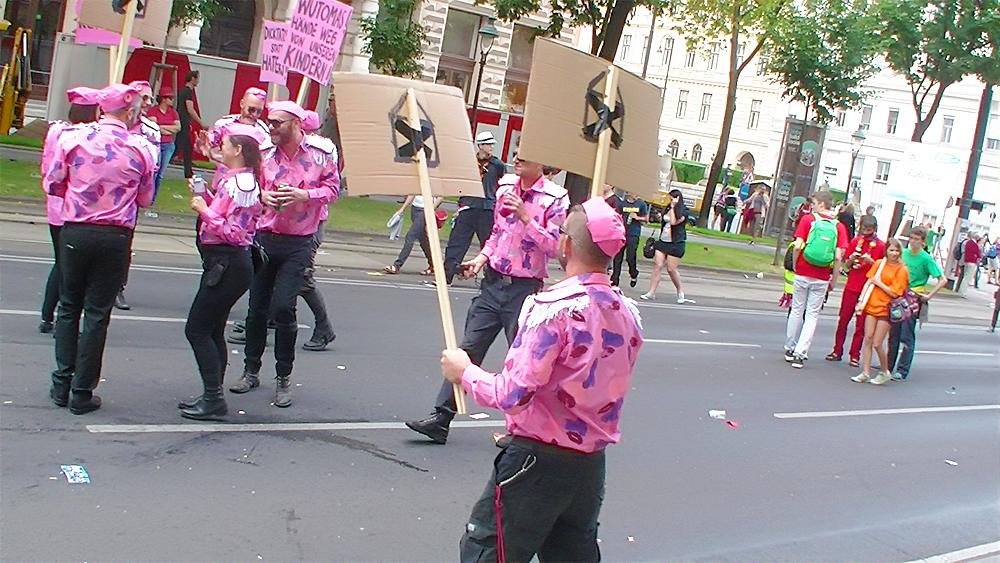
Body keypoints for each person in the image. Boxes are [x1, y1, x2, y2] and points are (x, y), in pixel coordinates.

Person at [440, 198, 643, 561]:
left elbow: (513, 394)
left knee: (489, 553)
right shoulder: (625, 312)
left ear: (566, 244)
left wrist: (464, 371)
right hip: (588, 467)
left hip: (536, 463)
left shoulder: (552, 309)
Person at [405, 155, 569, 444]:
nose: (517, 158)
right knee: (468, 349)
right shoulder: (505, 186)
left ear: (541, 162)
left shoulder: (555, 198)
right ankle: (441, 417)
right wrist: (481, 259)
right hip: (493, 283)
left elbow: (555, 248)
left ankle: (522, 429)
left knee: (524, 361)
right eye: (517, 152)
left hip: (524, 289)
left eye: (525, 155)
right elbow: (498, 234)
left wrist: (526, 218)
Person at [42, 83, 157, 414]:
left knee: (69, 307)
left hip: (77, 229)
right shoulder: (141, 147)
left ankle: (62, 382)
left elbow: (53, 183)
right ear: (130, 111)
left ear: (100, 109)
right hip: (115, 235)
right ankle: (82, 391)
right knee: (97, 313)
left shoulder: (73, 138)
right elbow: (146, 198)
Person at [227, 100, 339, 407]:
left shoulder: (320, 153)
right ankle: (250, 370)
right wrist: (263, 196)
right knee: (256, 309)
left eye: (278, 122)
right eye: (270, 122)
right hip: (265, 237)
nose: (272, 127)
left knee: (283, 308)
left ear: (296, 124)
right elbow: (249, 186)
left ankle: (283, 377)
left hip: (298, 242)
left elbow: (333, 190)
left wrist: (305, 194)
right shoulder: (264, 152)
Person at [178, 124, 266, 420]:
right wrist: (205, 194)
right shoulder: (236, 180)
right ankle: (211, 393)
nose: (221, 148)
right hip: (224, 263)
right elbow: (226, 211)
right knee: (212, 328)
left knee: (197, 328)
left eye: (225, 144)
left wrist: (203, 210)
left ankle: (214, 398)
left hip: (228, 263)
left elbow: (234, 232)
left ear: (238, 150)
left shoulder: (242, 184)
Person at [38, 87, 102, 335]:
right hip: (76, 209)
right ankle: (64, 317)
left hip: (56, 206)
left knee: (61, 263)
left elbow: (48, 168)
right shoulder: (87, 136)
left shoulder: (57, 130)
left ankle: (47, 315)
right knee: (73, 269)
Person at [783, 190, 848, 369]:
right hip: (822, 276)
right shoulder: (839, 227)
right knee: (812, 315)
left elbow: (798, 246)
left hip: (803, 271)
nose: (812, 206)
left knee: (797, 310)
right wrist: (834, 280)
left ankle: (789, 348)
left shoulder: (808, 220)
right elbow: (838, 257)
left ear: (821, 204)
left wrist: (796, 265)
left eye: (814, 203)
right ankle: (800, 353)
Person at [886, 226, 947, 381]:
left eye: (916, 239)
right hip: (898, 295)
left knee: (907, 335)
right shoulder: (904, 253)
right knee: (894, 333)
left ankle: (902, 370)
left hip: (913, 298)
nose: (913, 242)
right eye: (911, 238)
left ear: (923, 242)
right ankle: (888, 366)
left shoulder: (926, 258)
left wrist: (929, 295)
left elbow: (942, 279)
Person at [443, 131, 504, 284]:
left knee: (489, 244)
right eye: (488, 144)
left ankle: (493, 279)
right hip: (468, 206)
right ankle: (447, 276)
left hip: (487, 208)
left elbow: (502, 183)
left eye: (492, 144)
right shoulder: (469, 162)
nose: (491, 147)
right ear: (480, 145)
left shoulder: (497, 165)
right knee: (456, 243)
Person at [826, 215, 885, 367]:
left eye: (869, 230)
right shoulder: (855, 241)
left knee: (861, 325)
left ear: (875, 229)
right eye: (864, 229)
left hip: (867, 291)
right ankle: (837, 351)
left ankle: (855, 355)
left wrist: (872, 262)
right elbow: (846, 266)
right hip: (851, 287)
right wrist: (852, 258)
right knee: (843, 320)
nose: (866, 232)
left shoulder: (880, 246)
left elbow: (882, 270)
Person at [852, 238, 909, 385]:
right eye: (891, 250)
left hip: (887, 309)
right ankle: (865, 372)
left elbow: (895, 293)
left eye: (897, 250)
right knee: (868, 338)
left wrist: (879, 283)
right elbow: (868, 282)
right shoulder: (879, 264)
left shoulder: (902, 269)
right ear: (886, 251)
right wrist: (861, 301)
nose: (894, 253)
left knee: (877, 343)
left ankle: (885, 371)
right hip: (872, 305)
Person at [641, 189, 688, 304]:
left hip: (675, 243)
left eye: (673, 198)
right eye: (670, 198)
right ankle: (651, 292)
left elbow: (673, 222)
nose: (671, 200)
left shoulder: (684, 211)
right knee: (658, 265)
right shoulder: (667, 208)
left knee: (671, 269)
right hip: (663, 241)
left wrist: (673, 207)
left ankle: (680, 291)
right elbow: (664, 220)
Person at [383, 195, 442, 275]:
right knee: (423, 240)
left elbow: (440, 196)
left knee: (410, 237)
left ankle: (397, 265)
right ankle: (434, 265)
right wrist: (402, 208)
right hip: (415, 209)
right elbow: (412, 193)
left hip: (424, 210)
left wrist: (430, 209)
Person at [146, 86, 181, 200]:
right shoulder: (153, 111)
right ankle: (148, 196)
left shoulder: (173, 112)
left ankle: (153, 198)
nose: (172, 100)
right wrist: (168, 128)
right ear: (163, 99)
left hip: (168, 145)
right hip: (156, 144)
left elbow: (178, 127)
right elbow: (154, 128)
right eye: (170, 98)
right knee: (154, 172)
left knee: (160, 174)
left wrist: (162, 128)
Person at [610, 191, 648, 287]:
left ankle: (634, 273)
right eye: (634, 192)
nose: (636, 195)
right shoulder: (622, 203)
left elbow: (646, 220)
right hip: (622, 233)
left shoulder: (641, 204)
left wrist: (637, 218)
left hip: (633, 233)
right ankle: (615, 280)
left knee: (630, 257)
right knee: (618, 257)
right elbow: (617, 216)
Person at [176, 70, 204, 179]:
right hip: (183, 122)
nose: (198, 81)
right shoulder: (188, 92)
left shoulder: (182, 90)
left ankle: (188, 172)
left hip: (183, 121)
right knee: (178, 146)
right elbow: (190, 109)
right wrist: (201, 123)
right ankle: (160, 163)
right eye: (197, 78)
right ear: (193, 79)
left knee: (187, 147)